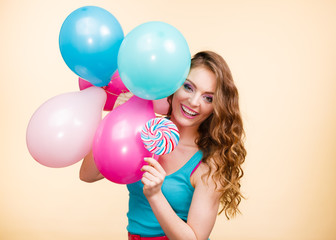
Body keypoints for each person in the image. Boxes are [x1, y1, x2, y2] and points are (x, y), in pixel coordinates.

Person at [80, 51, 247, 240]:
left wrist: (155, 195)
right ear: (174, 86)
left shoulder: (209, 162)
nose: (193, 102)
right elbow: (88, 174)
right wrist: (115, 119)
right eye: (188, 87)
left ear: (217, 107)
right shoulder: (144, 131)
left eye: (208, 98)